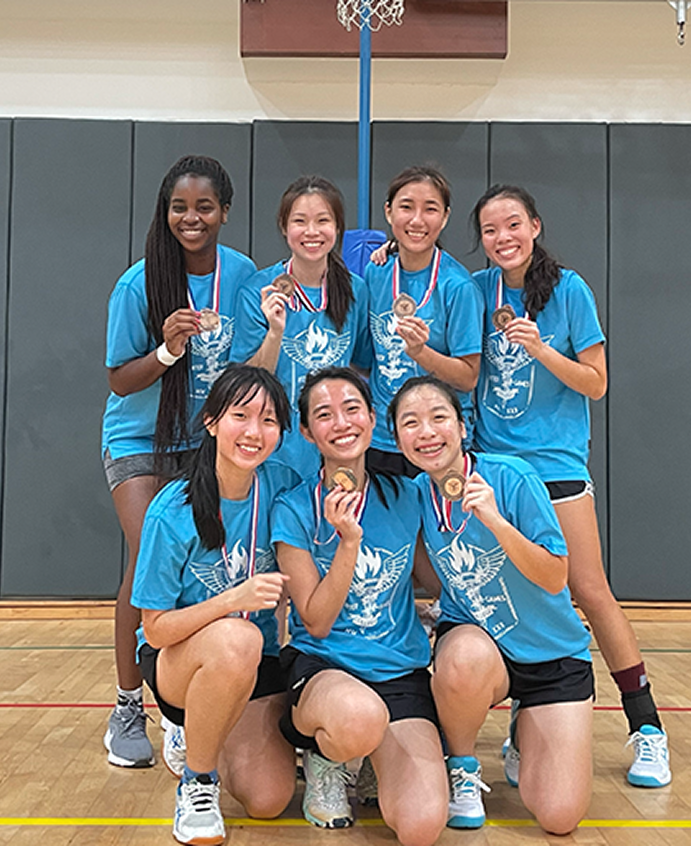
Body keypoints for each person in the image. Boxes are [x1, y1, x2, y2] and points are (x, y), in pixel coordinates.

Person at [471, 184, 671, 788]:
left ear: (535, 225)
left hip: (555, 465)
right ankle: (522, 727)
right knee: (508, 601)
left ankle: (647, 728)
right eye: (489, 230)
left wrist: (540, 350)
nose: (502, 238)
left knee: (587, 587)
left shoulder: (569, 289)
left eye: (513, 225)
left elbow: (596, 383)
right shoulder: (475, 290)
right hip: (494, 468)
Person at [102, 155, 256, 770]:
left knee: (200, 572)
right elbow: (118, 379)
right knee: (148, 563)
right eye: (179, 207)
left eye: (203, 206)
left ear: (224, 211)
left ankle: (184, 708)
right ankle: (125, 705)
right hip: (140, 440)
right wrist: (168, 349)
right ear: (165, 212)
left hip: (202, 441)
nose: (190, 218)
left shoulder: (242, 273)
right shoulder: (138, 282)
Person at [391, 375, 594, 836]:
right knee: (461, 655)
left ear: (462, 427)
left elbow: (555, 575)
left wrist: (496, 522)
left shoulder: (511, 476)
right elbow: (422, 574)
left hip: (552, 654)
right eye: (411, 423)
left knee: (559, 816)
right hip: (482, 648)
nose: (426, 432)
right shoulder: (417, 496)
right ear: (398, 438)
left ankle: (524, 730)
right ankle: (462, 766)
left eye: (439, 418)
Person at [271, 367, 448, 844]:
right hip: (327, 670)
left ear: (373, 419)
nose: (342, 423)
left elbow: (434, 577)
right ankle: (328, 758)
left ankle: (370, 759)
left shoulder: (407, 495)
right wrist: (348, 544)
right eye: (324, 415)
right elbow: (317, 619)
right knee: (357, 718)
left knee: (421, 825)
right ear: (307, 432)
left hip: (399, 674)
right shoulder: (292, 508)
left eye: (352, 409)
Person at [131, 364, 299, 846]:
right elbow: (157, 629)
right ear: (210, 421)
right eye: (240, 416)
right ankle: (197, 780)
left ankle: (214, 726)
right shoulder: (173, 508)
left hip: (254, 659)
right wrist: (233, 600)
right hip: (177, 657)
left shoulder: (282, 486)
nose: (254, 432)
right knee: (237, 636)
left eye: (268, 421)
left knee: (267, 800)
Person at [231, 176, 367, 478]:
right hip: (274, 452)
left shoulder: (356, 290)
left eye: (323, 220)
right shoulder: (258, 291)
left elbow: (363, 363)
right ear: (284, 226)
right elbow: (247, 383)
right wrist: (275, 333)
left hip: (335, 447)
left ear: (338, 227)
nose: (312, 231)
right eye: (300, 221)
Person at [361, 165, 483, 478]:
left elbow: (468, 378)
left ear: (444, 217)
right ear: (388, 213)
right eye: (406, 207)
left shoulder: (458, 287)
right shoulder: (376, 272)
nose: (417, 220)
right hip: (383, 439)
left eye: (430, 209)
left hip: (438, 440)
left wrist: (421, 353)